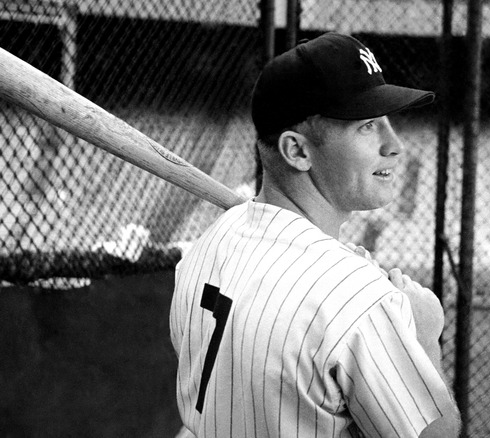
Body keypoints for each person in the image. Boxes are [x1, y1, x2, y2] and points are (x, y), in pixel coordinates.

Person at [169, 32, 461, 437]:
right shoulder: (359, 301)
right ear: (298, 152)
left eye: (388, 123)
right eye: (368, 126)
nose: (395, 146)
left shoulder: (209, 244)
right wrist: (427, 337)